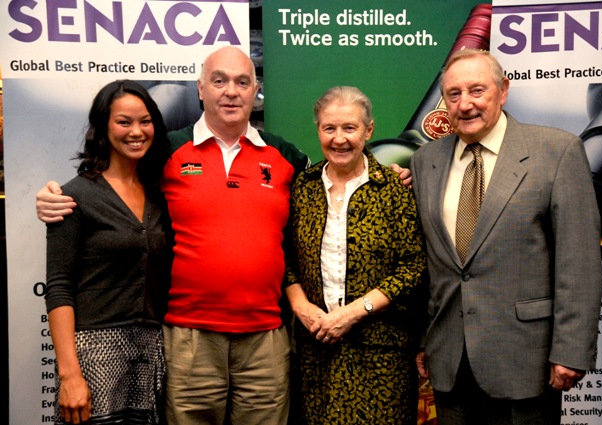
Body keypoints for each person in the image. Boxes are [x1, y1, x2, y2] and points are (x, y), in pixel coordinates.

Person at [36, 47, 412, 425]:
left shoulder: (287, 156)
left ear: (255, 91)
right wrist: (57, 196)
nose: (231, 91)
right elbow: (116, 183)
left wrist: (387, 176)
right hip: (189, 339)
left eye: (242, 82)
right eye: (219, 81)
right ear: (201, 89)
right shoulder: (165, 150)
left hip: (266, 337)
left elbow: (335, 182)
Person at [410, 48, 602, 424]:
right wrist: (423, 339)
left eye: (477, 91)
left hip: (525, 359)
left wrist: (571, 350)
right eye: (454, 94)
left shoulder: (556, 151)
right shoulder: (426, 161)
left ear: (503, 90)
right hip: (449, 358)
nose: (465, 104)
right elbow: (428, 262)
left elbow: (578, 262)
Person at [284, 86, 427, 424]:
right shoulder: (302, 188)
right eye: (329, 128)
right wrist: (301, 306)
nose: (339, 139)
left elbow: (413, 268)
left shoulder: (394, 189)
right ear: (318, 129)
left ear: (369, 130)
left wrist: (352, 314)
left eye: (350, 128)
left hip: (382, 354)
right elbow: (285, 258)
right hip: (317, 351)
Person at [45, 80, 172, 425]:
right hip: (93, 354)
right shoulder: (74, 197)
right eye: (124, 122)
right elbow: (58, 287)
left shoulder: (160, 195)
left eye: (145, 121)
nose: (136, 131)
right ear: (102, 128)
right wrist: (70, 375)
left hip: (151, 352)